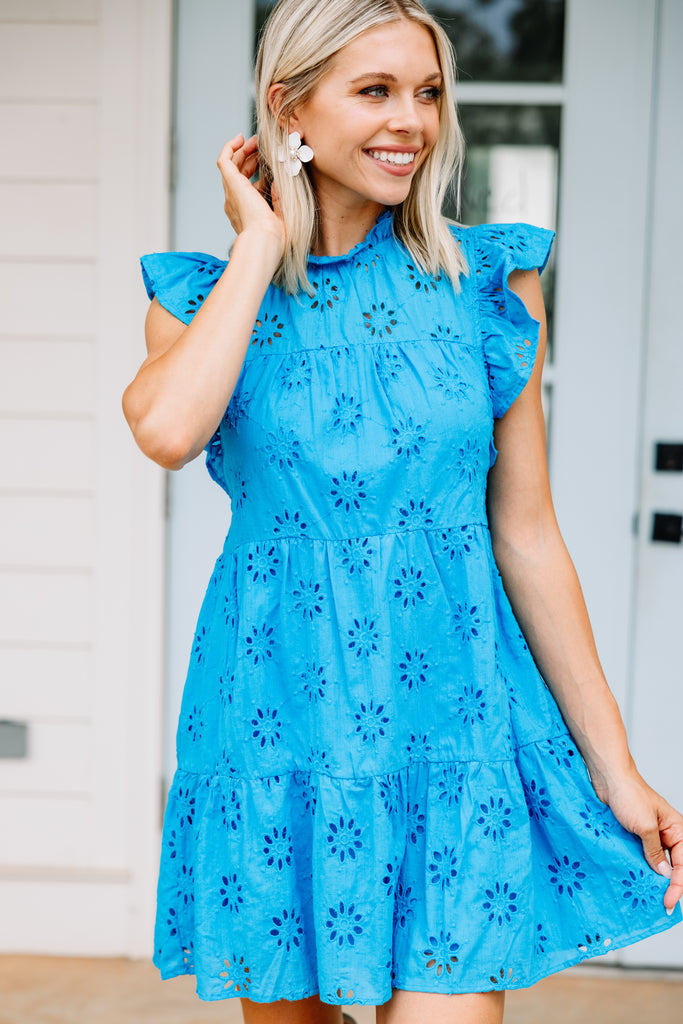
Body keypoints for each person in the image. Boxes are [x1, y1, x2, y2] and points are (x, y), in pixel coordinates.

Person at [122, 1, 683, 1021]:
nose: (411, 122)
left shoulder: (485, 284)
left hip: (452, 734)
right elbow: (163, 430)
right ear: (286, 107)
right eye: (374, 91)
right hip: (278, 732)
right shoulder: (201, 296)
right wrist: (258, 247)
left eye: (426, 92)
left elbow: (525, 535)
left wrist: (618, 769)